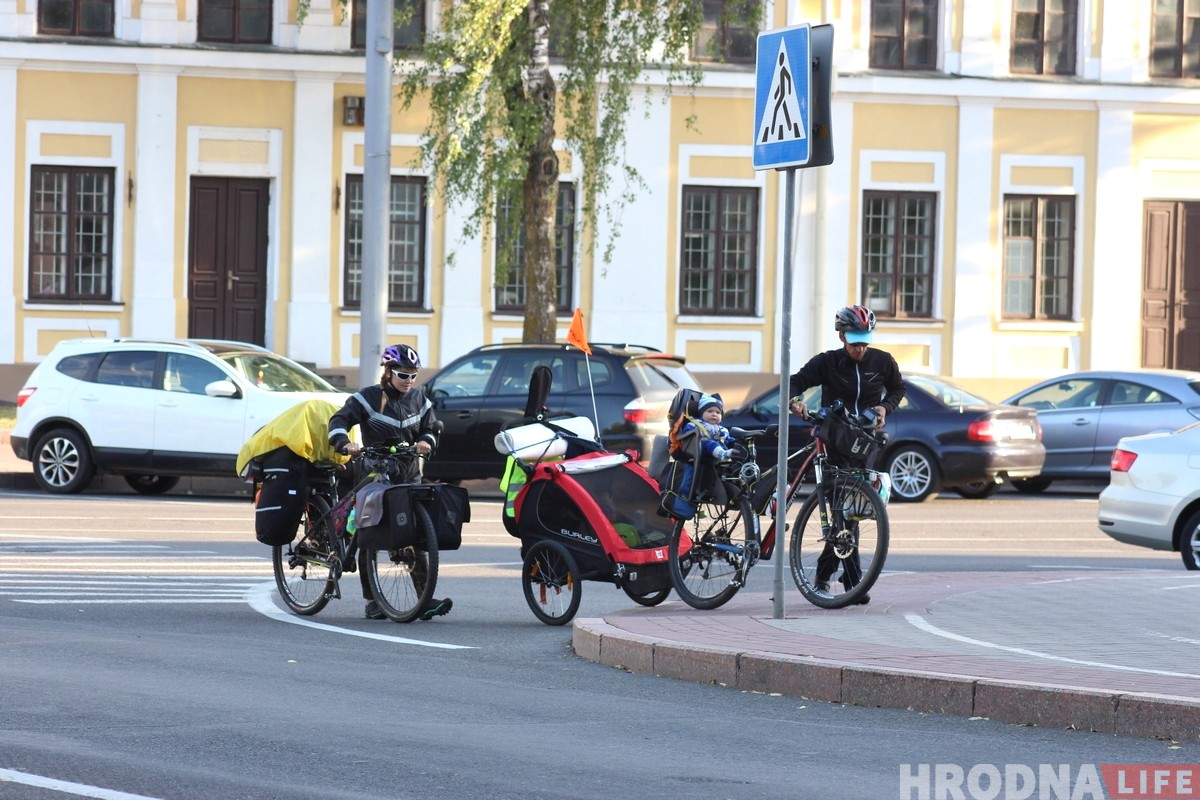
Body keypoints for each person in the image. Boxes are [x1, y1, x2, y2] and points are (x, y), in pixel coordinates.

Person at [787, 305, 905, 605]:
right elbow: (795, 383)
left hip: (864, 443)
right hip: (833, 442)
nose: (860, 348)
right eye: (854, 342)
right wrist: (796, 401)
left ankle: (844, 579)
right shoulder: (827, 362)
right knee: (839, 511)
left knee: (856, 511)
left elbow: (897, 389)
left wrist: (884, 408)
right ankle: (844, 580)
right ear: (841, 336)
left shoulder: (882, 361)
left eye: (865, 340)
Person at [328, 344, 452, 622]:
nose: (408, 381)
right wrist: (344, 443)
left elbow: (432, 427)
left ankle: (424, 597)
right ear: (387, 372)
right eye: (402, 374)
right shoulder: (368, 398)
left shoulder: (420, 399)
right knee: (369, 533)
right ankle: (372, 600)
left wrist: (425, 441)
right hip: (375, 472)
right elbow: (339, 420)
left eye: (413, 375)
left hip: (408, 473)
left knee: (419, 532)